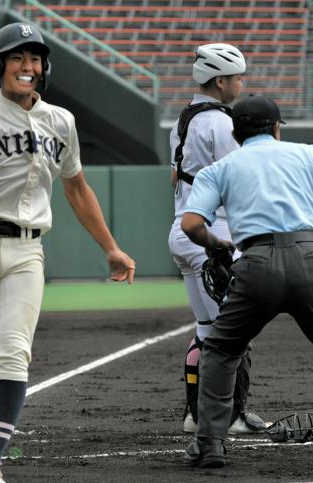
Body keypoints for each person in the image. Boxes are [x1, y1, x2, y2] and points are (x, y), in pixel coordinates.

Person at [0, 22, 136, 483]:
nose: (28, 66)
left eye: (35, 58)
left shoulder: (61, 121)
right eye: (18, 57)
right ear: (0, 65)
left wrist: (112, 248)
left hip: (27, 251)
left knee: (15, 354)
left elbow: (76, 188)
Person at [181, 95, 313, 468]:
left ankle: (210, 445)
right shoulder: (306, 154)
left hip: (255, 264)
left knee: (221, 350)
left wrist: (216, 243)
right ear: (276, 127)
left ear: (236, 133)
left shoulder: (220, 168)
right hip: (308, 256)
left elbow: (191, 224)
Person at [167, 43, 264, 434]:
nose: (241, 84)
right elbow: (239, 177)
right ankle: (233, 415)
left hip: (183, 229)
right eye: (238, 77)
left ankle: (196, 415)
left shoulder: (184, 119)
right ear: (220, 81)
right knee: (231, 335)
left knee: (208, 331)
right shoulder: (221, 123)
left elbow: (174, 177)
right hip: (212, 234)